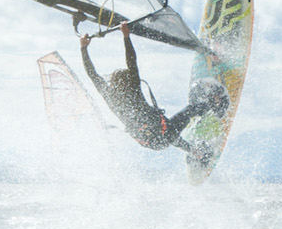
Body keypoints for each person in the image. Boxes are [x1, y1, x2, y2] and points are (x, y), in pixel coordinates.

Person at [80, 21, 228, 157]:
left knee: (166, 133)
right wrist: (126, 36)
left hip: (152, 143)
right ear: (127, 81)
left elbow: (92, 75)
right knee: (189, 111)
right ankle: (216, 104)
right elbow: (131, 61)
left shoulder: (111, 98)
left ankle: (196, 153)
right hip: (163, 132)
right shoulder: (133, 91)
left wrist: (83, 48)